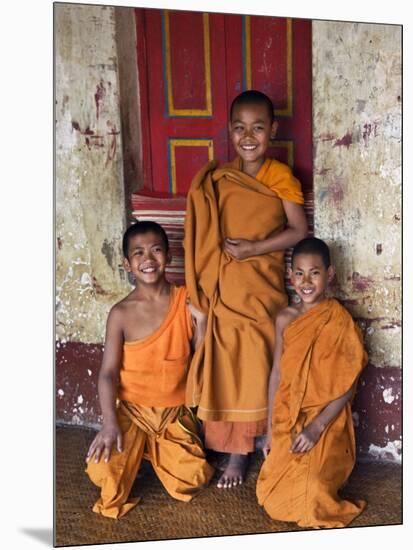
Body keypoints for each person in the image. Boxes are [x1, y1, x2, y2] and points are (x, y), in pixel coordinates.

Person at [183, 90, 308, 488]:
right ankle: (225, 444)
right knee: (224, 360)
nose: (248, 136)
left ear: (273, 130)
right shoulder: (222, 178)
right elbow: (205, 230)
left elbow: (298, 231)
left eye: (258, 127)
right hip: (225, 285)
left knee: (254, 359)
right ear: (230, 131)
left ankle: (241, 452)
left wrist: (253, 248)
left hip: (261, 287)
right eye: (240, 128)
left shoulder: (281, 176)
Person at [85, 221, 214, 519]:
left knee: (192, 479)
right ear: (127, 264)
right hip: (131, 412)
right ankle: (137, 450)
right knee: (101, 473)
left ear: (168, 257)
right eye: (138, 253)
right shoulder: (120, 313)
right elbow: (108, 373)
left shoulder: (185, 300)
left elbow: (198, 356)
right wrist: (108, 423)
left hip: (173, 411)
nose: (148, 259)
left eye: (156, 250)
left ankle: (148, 454)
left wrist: (203, 323)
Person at [256, 237, 367, 528]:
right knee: (270, 498)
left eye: (314, 273)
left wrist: (317, 427)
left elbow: (348, 383)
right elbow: (276, 374)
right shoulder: (285, 318)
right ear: (290, 276)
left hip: (327, 419)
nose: (306, 281)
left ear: (329, 274)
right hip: (288, 414)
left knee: (314, 492)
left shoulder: (339, 321)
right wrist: (270, 430)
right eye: (300, 273)